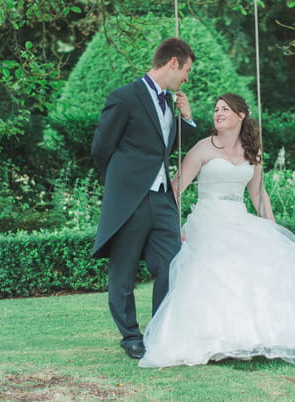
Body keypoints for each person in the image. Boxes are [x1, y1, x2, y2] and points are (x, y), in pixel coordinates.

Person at [139, 93, 295, 368]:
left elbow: (259, 194)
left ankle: (257, 336)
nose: (218, 113)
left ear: (241, 116)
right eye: (216, 109)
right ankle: (214, 338)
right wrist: (175, 227)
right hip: (207, 220)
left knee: (267, 263)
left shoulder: (253, 152)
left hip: (239, 218)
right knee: (216, 269)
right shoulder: (203, 148)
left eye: (225, 109)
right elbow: (176, 188)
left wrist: (273, 229)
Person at [91, 37, 197, 360]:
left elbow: (174, 148)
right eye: (187, 70)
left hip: (162, 200)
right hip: (130, 201)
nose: (186, 79)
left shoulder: (172, 102)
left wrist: (187, 118)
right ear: (173, 63)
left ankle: (159, 330)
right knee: (122, 274)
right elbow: (100, 148)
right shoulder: (124, 97)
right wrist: (118, 189)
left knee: (173, 264)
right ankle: (131, 336)